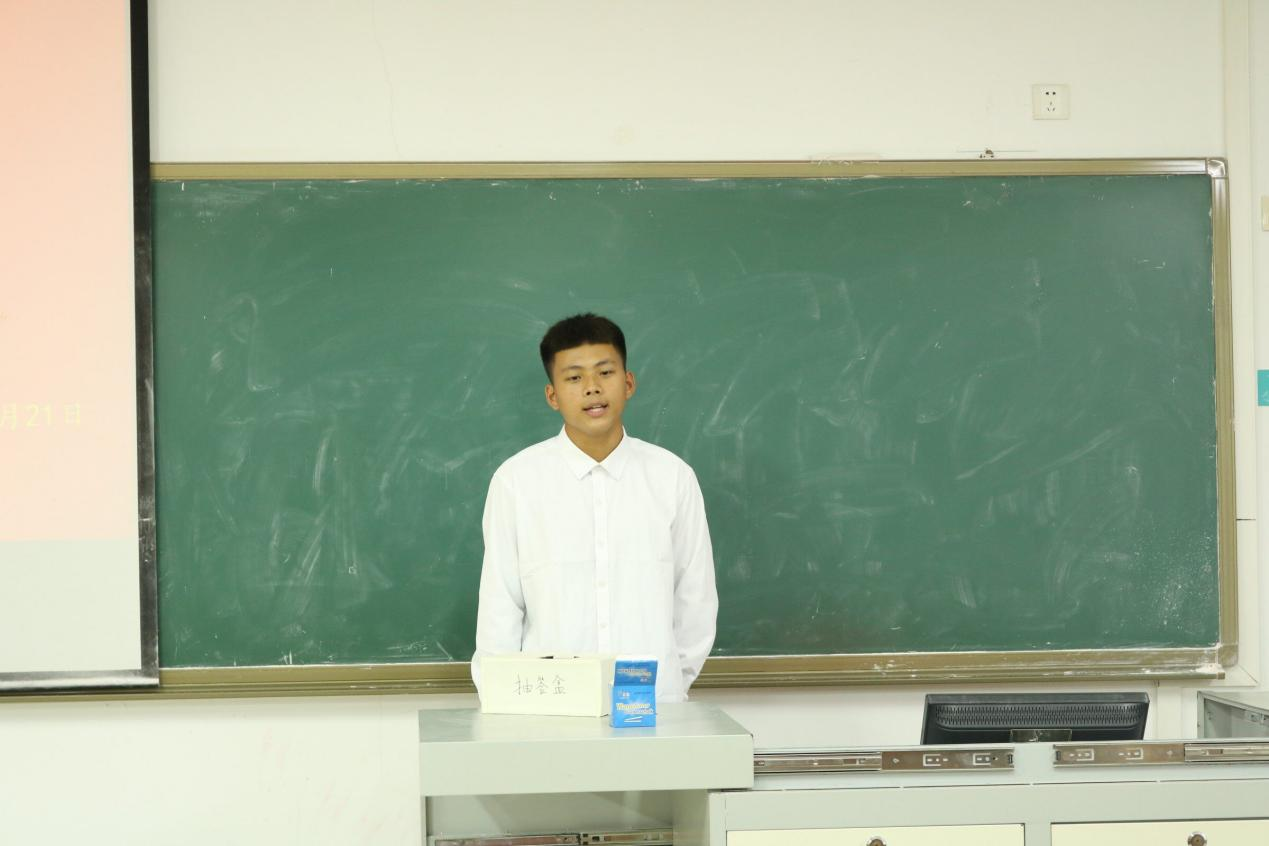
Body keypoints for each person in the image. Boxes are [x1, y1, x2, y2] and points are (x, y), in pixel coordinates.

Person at [472, 313, 718, 702]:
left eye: (605, 372)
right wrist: (507, 701)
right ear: (552, 396)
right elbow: (499, 609)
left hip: (654, 708)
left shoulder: (672, 478)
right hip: (551, 710)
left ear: (628, 382)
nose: (592, 388)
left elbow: (696, 600)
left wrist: (669, 688)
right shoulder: (516, 482)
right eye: (574, 378)